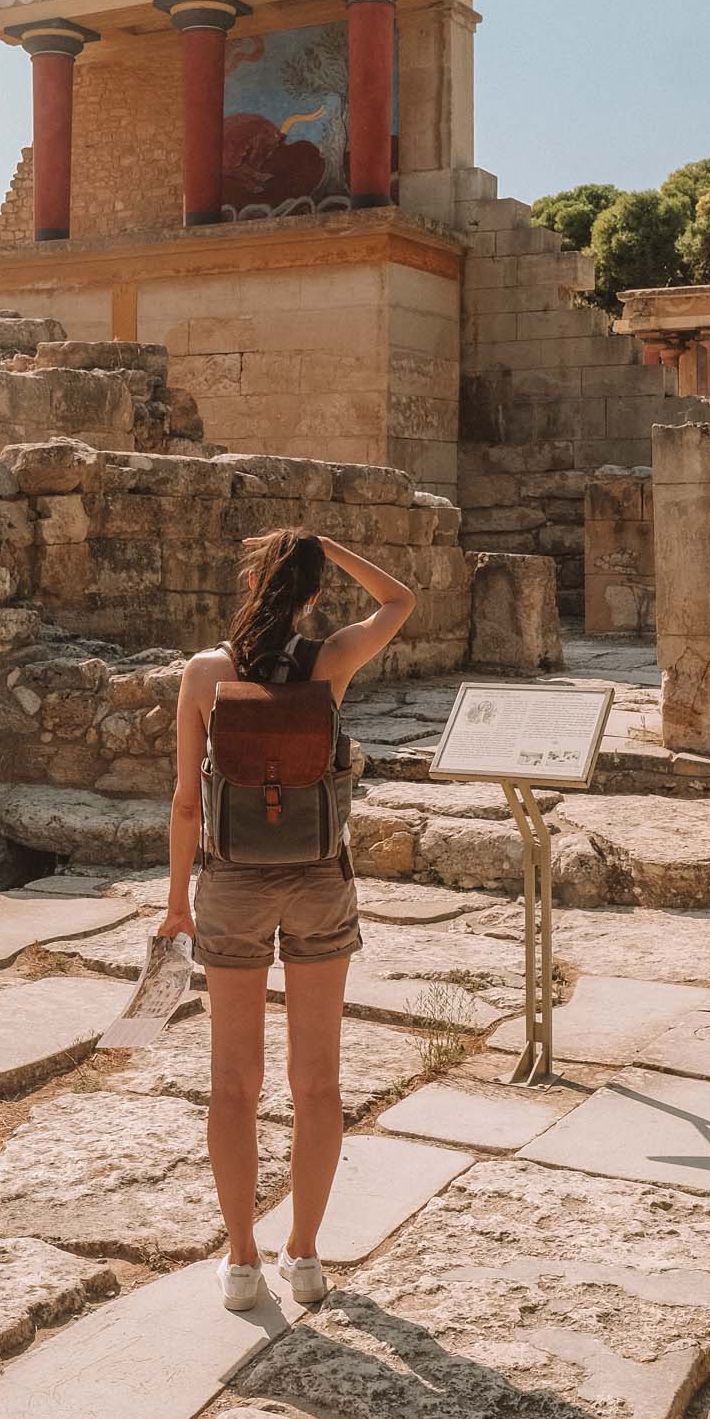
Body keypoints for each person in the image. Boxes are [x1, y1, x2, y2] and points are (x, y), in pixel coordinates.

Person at [157, 528, 416, 1311]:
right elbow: (399, 601)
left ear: (247, 586)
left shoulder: (206, 674)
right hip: (317, 879)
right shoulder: (329, 663)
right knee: (319, 1083)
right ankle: (303, 1253)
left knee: (233, 1085)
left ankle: (242, 1261)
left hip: (231, 883)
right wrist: (327, 547)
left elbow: (183, 803)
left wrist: (177, 903)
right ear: (308, 595)